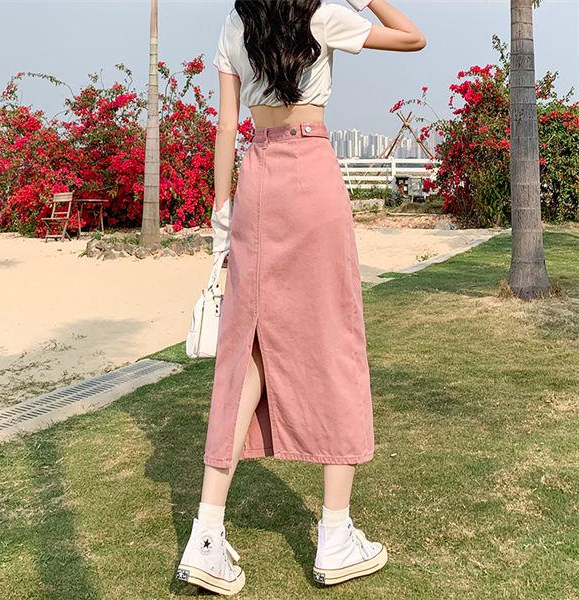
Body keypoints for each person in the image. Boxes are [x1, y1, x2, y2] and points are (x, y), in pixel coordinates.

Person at [175, 0, 426, 595]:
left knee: (247, 351)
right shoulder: (324, 15)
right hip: (312, 175)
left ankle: (206, 534)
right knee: (335, 342)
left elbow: (225, 129)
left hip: (257, 180)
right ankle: (334, 535)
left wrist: (220, 219)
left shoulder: (236, 23)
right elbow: (412, 37)